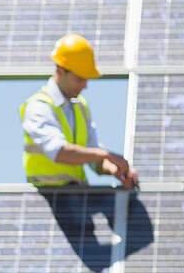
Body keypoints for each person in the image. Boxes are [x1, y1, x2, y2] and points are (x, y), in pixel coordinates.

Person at [21, 33, 138, 189]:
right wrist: (107, 155)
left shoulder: (80, 106)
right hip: (46, 200)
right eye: (79, 79)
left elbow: (94, 157)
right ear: (60, 71)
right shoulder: (38, 106)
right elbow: (60, 152)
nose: (85, 86)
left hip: (77, 197)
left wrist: (115, 169)